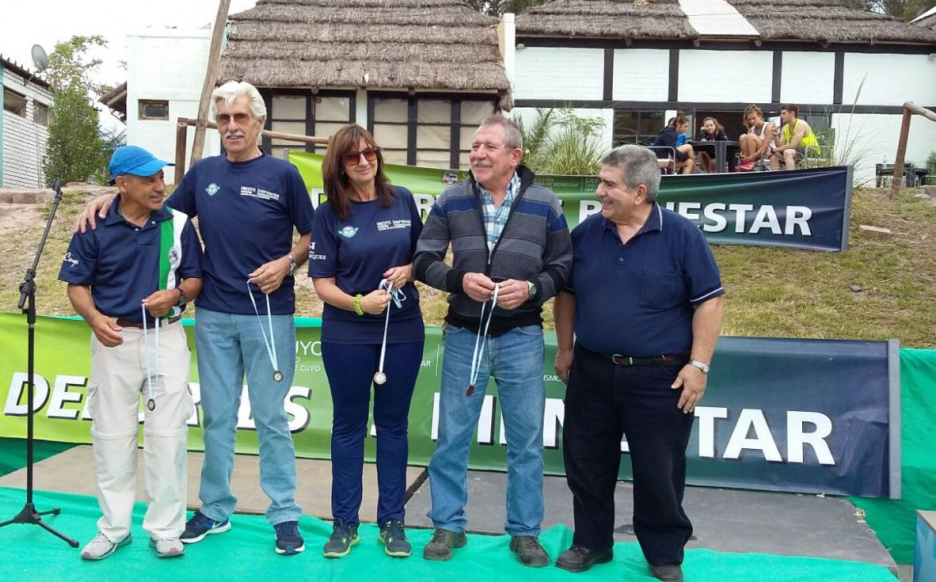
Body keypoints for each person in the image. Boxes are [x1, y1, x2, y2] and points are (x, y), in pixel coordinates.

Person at [76, 81, 314, 555]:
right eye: (223, 119)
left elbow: (311, 236)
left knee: (270, 417)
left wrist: (288, 263)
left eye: (240, 118)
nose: (231, 127)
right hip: (213, 315)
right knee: (218, 418)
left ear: (260, 123)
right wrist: (103, 198)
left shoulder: (284, 176)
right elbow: (151, 204)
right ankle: (215, 509)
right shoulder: (203, 173)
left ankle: (284, 514)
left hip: (270, 316)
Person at [553, 145, 724, 582]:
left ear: (640, 191)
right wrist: (566, 348)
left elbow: (708, 303)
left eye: (609, 184)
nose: (599, 191)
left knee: (659, 469)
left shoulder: (683, 235)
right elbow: (566, 294)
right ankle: (591, 542)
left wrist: (698, 366)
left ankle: (665, 552)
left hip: (661, 376)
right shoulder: (587, 233)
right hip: (591, 370)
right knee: (586, 462)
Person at [413, 115, 572, 567]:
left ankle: (524, 532)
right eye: (474, 146)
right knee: (453, 435)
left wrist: (534, 288)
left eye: (489, 147)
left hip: (522, 335)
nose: (478, 154)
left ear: (515, 156)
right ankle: (447, 525)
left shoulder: (544, 202)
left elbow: (564, 265)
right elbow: (423, 259)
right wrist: (459, 280)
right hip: (464, 334)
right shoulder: (451, 199)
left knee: (526, 439)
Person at [59, 146, 203, 561]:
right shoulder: (93, 225)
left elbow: (195, 278)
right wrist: (93, 319)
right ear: (122, 184)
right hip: (114, 340)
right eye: (149, 180)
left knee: (168, 436)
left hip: (167, 338)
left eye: (161, 178)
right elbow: (76, 284)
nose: (160, 186)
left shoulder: (177, 223)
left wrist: (176, 294)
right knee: (111, 436)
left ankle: (166, 529)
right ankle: (114, 528)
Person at [308, 124, 424, 559]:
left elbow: (423, 256)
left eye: (370, 153)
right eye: (353, 156)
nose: (363, 161)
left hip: (403, 329)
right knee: (349, 426)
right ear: (339, 165)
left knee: (393, 426)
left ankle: (392, 521)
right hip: (348, 331)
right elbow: (321, 282)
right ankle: (345, 523)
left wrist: (408, 271)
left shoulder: (405, 200)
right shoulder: (328, 214)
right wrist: (359, 304)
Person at [770, 104, 820, 171]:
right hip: (797, 151)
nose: (781, 116)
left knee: (787, 152)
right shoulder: (785, 128)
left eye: (784, 113)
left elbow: (793, 145)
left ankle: (790, 177)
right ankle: (777, 179)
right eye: (781, 114)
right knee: (774, 157)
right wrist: (776, 136)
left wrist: (775, 150)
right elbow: (781, 146)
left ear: (792, 113)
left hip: (809, 150)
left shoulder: (801, 124)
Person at [737, 105, 774, 171]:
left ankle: (750, 162)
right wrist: (742, 154)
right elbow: (746, 144)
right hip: (754, 154)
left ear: (759, 116)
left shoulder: (768, 127)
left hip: (765, 153)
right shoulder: (751, 129)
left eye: (754, 118)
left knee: (750, 136)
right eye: (749, 120)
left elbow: (765, 147)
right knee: (742, 136)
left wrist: (750, 157)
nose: (752, 121)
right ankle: (746, 161)